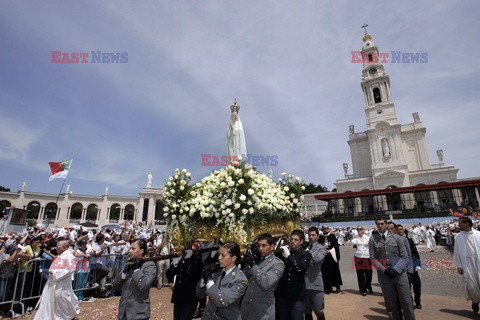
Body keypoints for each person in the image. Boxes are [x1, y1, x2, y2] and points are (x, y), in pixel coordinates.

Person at [369, 218, 415, 320]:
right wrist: (384, 270)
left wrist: (396, 270)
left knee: (406, 302)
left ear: (386, 225)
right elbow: (372, 258)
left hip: (400, 275)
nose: (380, 226)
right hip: (385, 276)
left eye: (382, 224)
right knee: (390, 304)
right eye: (378, 224)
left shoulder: (397, 238)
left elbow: (405, 256)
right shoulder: (373, 239)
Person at [196, 241, 247, 320]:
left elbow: (221, 301)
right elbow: (200, 294)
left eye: (223, 255)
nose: (219, 258)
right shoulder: (216, 273)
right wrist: (203, 277)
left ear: (233, 258)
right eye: (219, 254)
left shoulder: (240, 280)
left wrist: (209, 280)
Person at [241, 233, 285, 320]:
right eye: (259, 246)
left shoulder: (277, 263)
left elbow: (266, 283)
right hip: (247, 308)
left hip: (263, 311)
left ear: (272, 247)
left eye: (264, 245)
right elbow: (243, 278)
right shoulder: (257, 259)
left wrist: (253, 265)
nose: (260, 249)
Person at [34, 240, 80, 320]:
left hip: (62, 282)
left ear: (64, 247)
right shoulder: (61, 255)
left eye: (58, 246)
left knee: (62, 299)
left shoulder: (69, 256)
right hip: (53, 282)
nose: (56, 248)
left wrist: (55, 273)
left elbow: (70, 269)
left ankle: (66, 316)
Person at [112, 239, 157, 320]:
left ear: (141, 251)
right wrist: (124, 273)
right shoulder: (129, 264)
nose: (130, 251)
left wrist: (136, 269)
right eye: (130, 248)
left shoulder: (149, 265)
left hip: (139, 313)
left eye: (133, 249)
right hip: (123, 312)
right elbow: (114, 286)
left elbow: (143, 285)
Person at [276, 229, 312, 320]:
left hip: (297, 295)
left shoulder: (305, 254)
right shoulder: (284, 251)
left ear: (301, 241)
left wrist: (288, 256)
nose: (292, 241)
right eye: (291, 239)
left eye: (296, 240)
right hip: (283, 293)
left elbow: (300, 268)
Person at [166, 245, 203, 320]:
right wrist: (175, 263)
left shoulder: (196, 257)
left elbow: (194, 275)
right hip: (178, 297)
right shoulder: (179, 257)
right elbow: (169, 275)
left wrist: (187, 260)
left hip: (190, 297)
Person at [453, 217, 480, 314]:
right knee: (472, 286)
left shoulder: (478, 235)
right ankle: (475, 301)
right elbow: (456, 252)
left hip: (478, 263)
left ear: (467, 224)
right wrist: (459, 265)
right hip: (467, 264)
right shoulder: (459, 237)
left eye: (460, 223)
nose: (458, 225)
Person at [397, 224, 423, 309]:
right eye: (398, 229)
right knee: (407, 288)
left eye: (401, 229)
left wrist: (418, 264)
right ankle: (409, 304)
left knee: (417, 284)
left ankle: (418, 301)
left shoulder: (409, 240)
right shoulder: (395, 241)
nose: (400, 231)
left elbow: (415, 253)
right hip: (402, 268)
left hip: (411, 266)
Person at [304, 227, 326, 320]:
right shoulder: (304, 247)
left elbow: (317, 258)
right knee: (307, 311)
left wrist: (307, 253)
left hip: (316, 283)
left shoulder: (321, 248)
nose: (311, 237)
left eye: (313, 235)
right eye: (309, 235)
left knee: (318, 310)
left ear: (317, 236)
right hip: (305, 284)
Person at [319, 225, 343, 293]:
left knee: (334, 271)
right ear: (322, 229)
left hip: (332, 257)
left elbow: (336, 246)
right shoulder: (320, 238)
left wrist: (330, 251)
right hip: (324, 258)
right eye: (324, 228)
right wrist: (324, 251)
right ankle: (327, 287)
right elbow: (319, 246)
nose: (326, 229)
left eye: (327, 228)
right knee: (325, 272)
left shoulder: (332, 236)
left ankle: (337, 286)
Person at [351, 226, 373, 296]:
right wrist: (354, 237)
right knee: (360, 274)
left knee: (369, 273)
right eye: (357, 229)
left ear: (363, 230)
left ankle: (368, 285)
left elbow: (371, 246)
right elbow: (353, 244)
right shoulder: (355, 238)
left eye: (360, 229)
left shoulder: (368, 237)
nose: (359, 230)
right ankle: (363, 289)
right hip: (358, 256)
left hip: (367, 256)